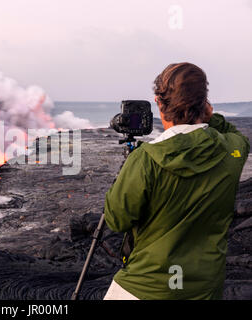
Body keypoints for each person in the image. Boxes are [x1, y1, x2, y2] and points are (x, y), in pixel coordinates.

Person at [103, 62, 250, 300]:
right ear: (205, 105)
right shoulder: (234, 150)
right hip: (204, 290)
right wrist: (204, 113)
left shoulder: (145, 158)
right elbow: (232, 131)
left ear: (159, 104)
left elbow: (117, 220)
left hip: (146, 286)